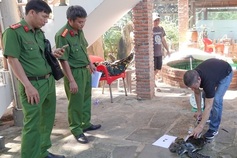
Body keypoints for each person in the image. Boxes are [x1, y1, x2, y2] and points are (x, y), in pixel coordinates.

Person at [2, 0, 65, 158]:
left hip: (48, 81)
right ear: (32, 12)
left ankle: (42, 152)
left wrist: (53, 53)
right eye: (43, 17)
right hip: (32, 84)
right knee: (33, 124)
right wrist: (28, 86)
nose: (45, 21)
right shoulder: (14, 32)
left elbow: (39, 56)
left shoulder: (39, 32)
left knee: (47, 121)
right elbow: (12, 60)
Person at [55, 5, 101, 144]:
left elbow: (83, 48)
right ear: (70, 20)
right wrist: (71, 80)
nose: (82, 24)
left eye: (84, 21)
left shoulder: (79, 31)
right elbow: (64, 60)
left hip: (85, 70)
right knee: (76, 102)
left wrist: (90, 63)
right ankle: (76, 129)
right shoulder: (62, 35)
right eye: (80, 22)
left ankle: (85, 123)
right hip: (74, 72)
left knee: (86, 99)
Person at [183, 58, 233, 140]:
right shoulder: (194, 76)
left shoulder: (208, 81)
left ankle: (214, 129)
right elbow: (197, 92)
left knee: (216, 100)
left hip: (226, 73)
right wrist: (199, 110)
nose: (192, 89)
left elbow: (209, 106)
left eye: (193, 87)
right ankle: (208, 117)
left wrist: (200, 127)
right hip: (215, 72)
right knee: (205, 95)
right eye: (190, 88)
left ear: (199, 79)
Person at [152, 13, 170, 89]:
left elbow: (163, 40)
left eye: (158, 20)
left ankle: (152, 81)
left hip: (159, 53)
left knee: (158, 69)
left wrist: (167, 50)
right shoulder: (150, 29)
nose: (157, 21)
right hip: (152, 54)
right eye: (155, 20)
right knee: (153, 69)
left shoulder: (161, 29)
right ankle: (152, 82)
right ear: (152, 21)